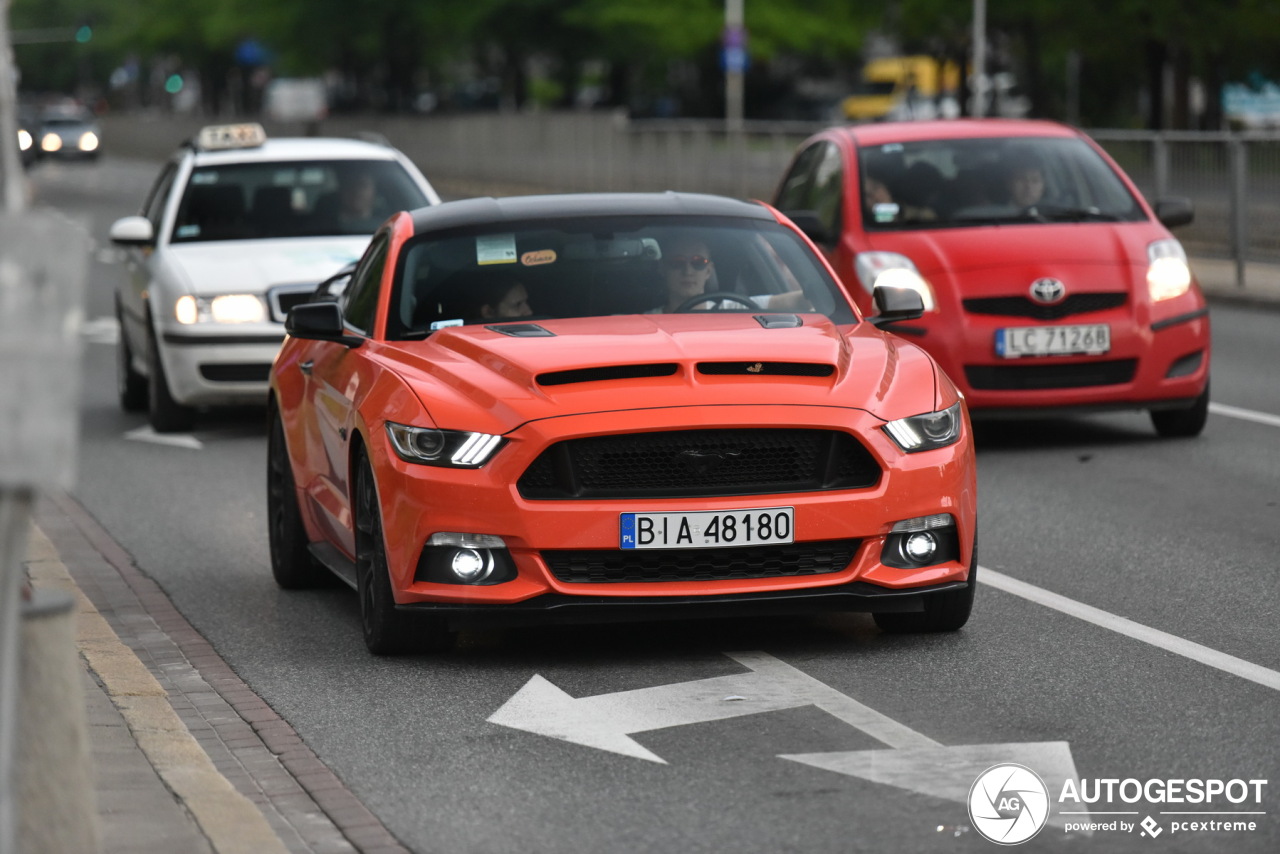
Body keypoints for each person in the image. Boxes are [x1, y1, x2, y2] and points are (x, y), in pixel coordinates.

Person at [649, 236, 809, 313]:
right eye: (678, 262)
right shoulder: (645, 322)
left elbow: (800, 300)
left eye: (698, 262)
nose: (688, 271)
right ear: (662, 269)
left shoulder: (735, 309)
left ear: (709, 271)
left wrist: (815, 284)